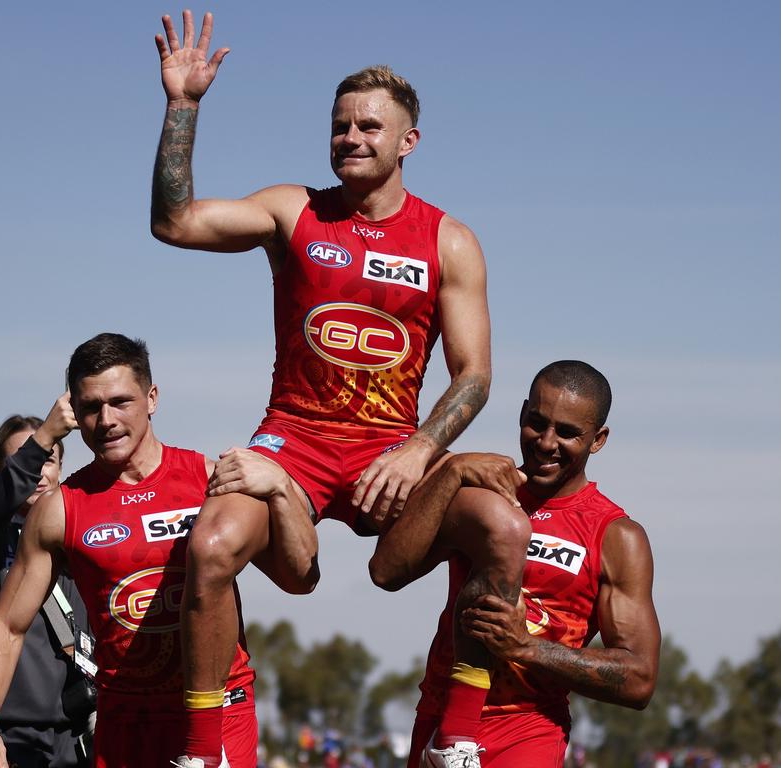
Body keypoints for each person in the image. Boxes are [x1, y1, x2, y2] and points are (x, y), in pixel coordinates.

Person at [149, 12, 529, 767]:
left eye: (369, 126)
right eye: (340, 126)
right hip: (292, 440)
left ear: (406, 142)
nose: (352, 137)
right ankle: (201, 753)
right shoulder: (294, 210)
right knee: (211, 544)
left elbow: (476, 375)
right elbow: (174, 222)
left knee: (505, 530)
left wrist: (420, 448)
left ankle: (455, 738)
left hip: (391, 455)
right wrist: (183, 106)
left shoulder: (448, 240)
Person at [0, 333, 276, 768]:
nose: (106, 419)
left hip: (218, 711)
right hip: (124, 721)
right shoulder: (60, 510)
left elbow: (299, 575)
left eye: (120, 402)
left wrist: (281, 488)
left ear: (152, 398)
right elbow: (8, 625)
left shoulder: (211, 480)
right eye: (91, 407)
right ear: (75, 412)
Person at [372, 361, 661, 768]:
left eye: (567, 433)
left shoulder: (616, 536)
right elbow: (386, 571)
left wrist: (525, 647)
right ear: (522, 413)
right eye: (536, 423)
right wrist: (451, 471)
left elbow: (639, 679)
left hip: (527, 731)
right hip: (440, 721)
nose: (546, 443)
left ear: (598, 440)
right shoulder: (479, 494)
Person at [0, 394, 91, 767]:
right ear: (0, 471)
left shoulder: (78, 536)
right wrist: (43, 437)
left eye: (49, 460)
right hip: (6, 737)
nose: (38, 472)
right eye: (25, 460)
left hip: (78, 735)